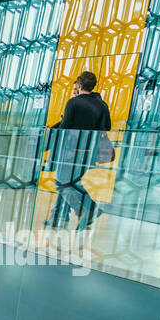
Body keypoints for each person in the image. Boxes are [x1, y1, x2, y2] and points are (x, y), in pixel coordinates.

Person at [46, 70, 112, 231]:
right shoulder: (102, 105)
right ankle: (58, 215)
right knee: (70, 182)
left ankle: (88, 210)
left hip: (70, 150)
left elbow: (65, 128)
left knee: (62, 183)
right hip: (88, 153)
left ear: (80, 85)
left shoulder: (73, 102)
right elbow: (106, 127)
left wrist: (58, 124)